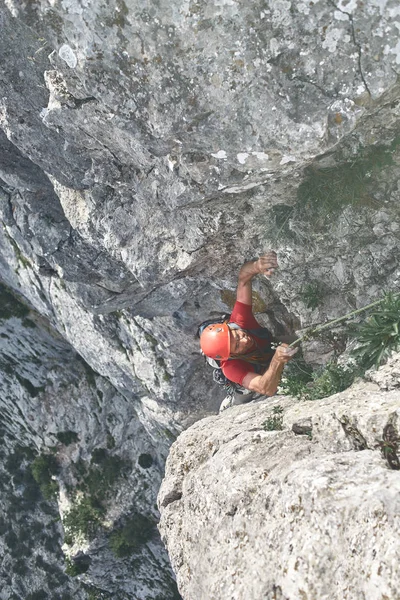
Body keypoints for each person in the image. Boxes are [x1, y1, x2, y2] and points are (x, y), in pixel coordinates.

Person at [200, 252, 298, 404]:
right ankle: (231, 402)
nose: (244, 340)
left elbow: (243, 280)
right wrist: (277, 361)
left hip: (270, 350)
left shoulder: (240, 321)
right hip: (255, 375)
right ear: (231, 355)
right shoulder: (231, 367)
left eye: (236, 335)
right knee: (244, 398)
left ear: (230, 327)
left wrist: (257, 266)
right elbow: (267, 388)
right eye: (237, 346)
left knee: (302, 341)